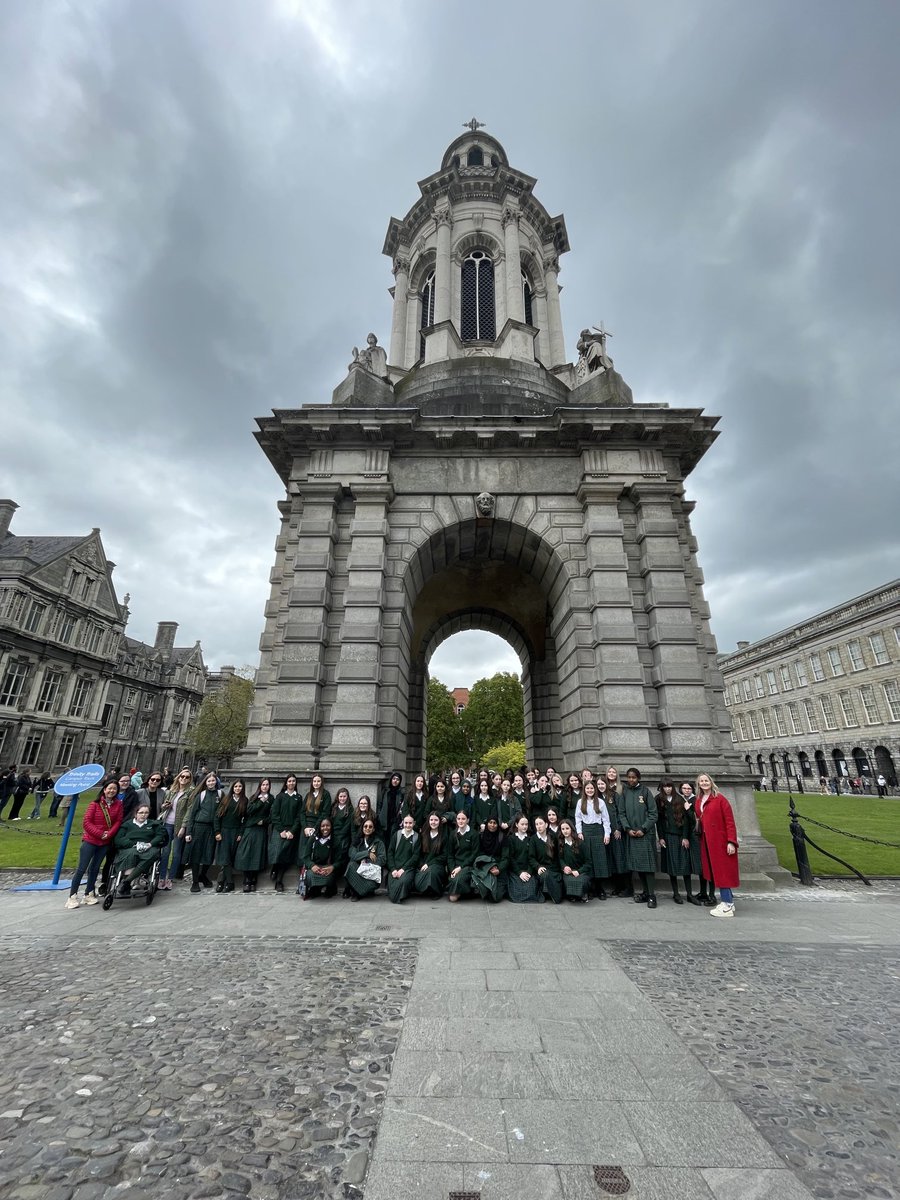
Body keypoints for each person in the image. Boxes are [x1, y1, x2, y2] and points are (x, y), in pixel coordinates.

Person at [65, 781, 124, 908]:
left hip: (105, 842)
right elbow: (87, 822)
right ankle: (72, 896)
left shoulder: (118, 804)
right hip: (90, 840)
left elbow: (118, 821)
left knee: (95, 868)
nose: (112, 791)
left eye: (114, 789)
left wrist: (109, 834)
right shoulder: (94, 804)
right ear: (104, 790)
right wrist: (100, 834)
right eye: (109, 788)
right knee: (81, 868)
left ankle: (89, 894)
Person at [696, 773, 740, 918]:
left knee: (723, 873)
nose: (704, 783)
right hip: (707, 841)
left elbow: (729, 821)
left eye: (706, 780)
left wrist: (731, 841)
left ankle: (727, 904)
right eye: (701, 781)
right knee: (716, 871)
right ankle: (729, 902)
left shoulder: (720, 799)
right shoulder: (699, 801)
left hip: (720, 841)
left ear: (711, 782)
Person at [618, 767, 659, 908]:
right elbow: (621, 813)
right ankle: (645, 892)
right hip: (632, 834)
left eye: (634, 777)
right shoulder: (624, 792)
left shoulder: (645, 791)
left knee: (648, 866)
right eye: (629, 777)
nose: (631, 780)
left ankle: (652, 895)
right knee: (639, 866)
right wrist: (627, 828)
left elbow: (653, 813)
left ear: (638, 778)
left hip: (645, 834)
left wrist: (644, 828)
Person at [656, 778, 697, 905]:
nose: (667, 789)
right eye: (665, 787)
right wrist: (661, 837)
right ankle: (676, 894)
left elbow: (686, 821)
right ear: (662, 788)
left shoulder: (679, 799)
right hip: (668, 836)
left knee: (685, 866)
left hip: (680, 836)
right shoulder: (658, 799)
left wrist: (685, 837)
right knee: (672, 866)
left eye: (669, 786)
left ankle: (689, 894)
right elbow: (659, 821)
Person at [111, 802, 167, 894]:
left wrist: (150, 844)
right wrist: (134, 844)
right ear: (135, 813)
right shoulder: (127, 825)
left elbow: (160, 836)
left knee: (152, 854)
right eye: (141, 813)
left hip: (148, 847)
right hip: (131, 847)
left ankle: (127, 881)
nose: (143, 815)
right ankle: (128, 880)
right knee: (132, 854)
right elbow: (118, 839)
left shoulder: (153, 824)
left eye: (146, 813)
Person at [574, 779, 612, 899]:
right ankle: (590, 889)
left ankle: (600, 889)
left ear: (594, 790)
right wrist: (579, 832)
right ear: (584, 790)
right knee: (588, 859)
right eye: (587, 788)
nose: (589, 790)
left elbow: (606, 819)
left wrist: (607, 834)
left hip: (598, 831)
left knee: (599, 860)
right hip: (586, 832)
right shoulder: (580, 802)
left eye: (591, 788)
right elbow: (578, 818)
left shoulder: (600, 802)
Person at [158, 767, 194, 890]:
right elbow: (163, 808)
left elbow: (189, 811)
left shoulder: (191, 792)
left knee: (177, 853)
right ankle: (162, 877)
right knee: (165, 852)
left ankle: (170, 878)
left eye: (187, 777)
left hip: (179, 825)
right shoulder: (171, 791)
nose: (184, 779)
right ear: (178, 777)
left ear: (190, 779)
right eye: (182, 776)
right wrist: (164, 806)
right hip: (167, 823)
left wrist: (184, 827)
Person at [184, 771, 221, 893]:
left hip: (212, 828)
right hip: (199, 827)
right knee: (196, 854)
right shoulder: (201, 795)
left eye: (213, 780)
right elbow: (192, 814)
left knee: (209, 855)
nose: (211, 783)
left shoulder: (220, 794)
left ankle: (202, 874)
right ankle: (195, 881)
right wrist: (189, 832)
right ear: (205, 782)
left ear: (216, 782)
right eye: (209, 781)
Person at [235, 778, 271, 893]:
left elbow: (272, 815)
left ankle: (253, 880)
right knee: (246, 853)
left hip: (261, 830)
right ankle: (246, 879)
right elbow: (249, 811)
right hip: (250, 828)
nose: (265, 787)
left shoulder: (271, 799)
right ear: (259, 786)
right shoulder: (253, 798)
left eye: (267, 785)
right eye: (263, 784)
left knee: (257, 855)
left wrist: (264, 821)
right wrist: (261, 802)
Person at [268, 774, 302, 893]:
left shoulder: (298, 797)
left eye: (293, 781)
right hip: (279, 829)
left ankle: (279, 881)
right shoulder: (280, 796)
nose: (291, 783)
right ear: (286, 783)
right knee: (277, 852)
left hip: (291, 830)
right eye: (289, 781)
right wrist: (281, 830)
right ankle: (274, 868)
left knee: (285, 855)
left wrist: (292, 831)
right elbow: (275, 814)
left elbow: (299, 817)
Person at [297, 774, 332, 883]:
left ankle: (311, 879)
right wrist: (305, 827)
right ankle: (302, 880)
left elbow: (325, 813)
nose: (316, 783)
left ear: (321, 782)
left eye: (318, 781)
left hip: (317, 827)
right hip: (306, 827)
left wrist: (315, 828)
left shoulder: (326, 795)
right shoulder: (308, 795)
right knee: (302, 853)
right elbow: (302, 813)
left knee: (312, 854)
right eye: (314, 781)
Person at [679, 782, 709, 905]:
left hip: (696, 836)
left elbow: (697, 818)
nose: (686, 790)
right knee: (687, 865)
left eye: (689, 788)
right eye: (684, 788)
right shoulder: (679, 800)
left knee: (701, 865)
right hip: (684, 836)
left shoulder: (696, 800)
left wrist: (688, 810)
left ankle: (704, 892)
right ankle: (690, 893)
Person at [213, 779, 245, 893]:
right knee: (225, 858)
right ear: (232, 788)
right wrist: (217, 832)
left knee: (230, 858)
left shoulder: (244, 801)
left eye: (240, 787)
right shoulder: (226, 799)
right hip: (224, 831)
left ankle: (222, 882)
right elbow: (217, 817)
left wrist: (241, 833)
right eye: (236, 786)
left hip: (236, 832)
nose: (237, 788)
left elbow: (244, 820)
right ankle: (228, 882)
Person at [344, 818, 386, 901]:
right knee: (351, 864)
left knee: (370, 885)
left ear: (373, 829)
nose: (368, 828)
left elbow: (382, 859)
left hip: (371, 874)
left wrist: (366, 862)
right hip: (358, 872)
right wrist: (367, 854)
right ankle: (356, 893)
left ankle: (363, 891)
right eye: (365, 826)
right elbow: (353, 855)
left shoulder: (378, 842)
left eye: (370, 827)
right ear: (362, 828)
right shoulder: (356, 841)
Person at [503, 814, 540, 903]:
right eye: (522, 824)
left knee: (531, 891)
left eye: (526, 824)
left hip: (528, 870)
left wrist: (529, 872)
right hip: (516, 871)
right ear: (516, 824)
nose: (524, 826)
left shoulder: (531, 839)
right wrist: (519, 872)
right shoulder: (511, 839)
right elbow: (511, 858)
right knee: (516, 893)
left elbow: (532, 857)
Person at [446, 809, 479, 901]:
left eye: (463, 819)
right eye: (459, 818)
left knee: (453, 898)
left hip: (468, 866)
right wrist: (452, 869)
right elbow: (450, 855)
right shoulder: (453, 834)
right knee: (453, 880)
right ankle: (464, 891)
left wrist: (460, 867)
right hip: (455, 866)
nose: (461, 821)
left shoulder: (474, 834)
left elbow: (474, 854)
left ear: (468, 820)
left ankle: (467, 890)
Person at [472, 815, 505, 903]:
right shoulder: (481, 836)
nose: (492, 825)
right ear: (487, 824)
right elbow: (479, 854)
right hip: (485, 866)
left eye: (495, 823)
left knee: (495, 897)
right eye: (490, 822)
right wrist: (489, 866)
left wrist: (499, 868)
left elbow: (506, 857)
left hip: (499, 867)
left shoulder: (502, 837)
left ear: (498, 825)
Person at [387, 814, 420, 903]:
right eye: (406, 823)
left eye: (410, 823)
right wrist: (393, 869)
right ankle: (395, 896)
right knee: (392, 883)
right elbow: (390, 853)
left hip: (408, 868)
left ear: (414, 823)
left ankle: (399, 896)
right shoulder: (397, 835)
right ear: (403, 823)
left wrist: (403, 869)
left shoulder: (416, 837)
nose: (408, 825)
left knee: (403, 882)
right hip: (395, 867)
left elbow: (415, 857)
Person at [414, 811, 448, 896]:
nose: (433, 822)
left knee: (432, 873)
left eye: (436, 820)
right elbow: (418, 853)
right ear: (428, 821)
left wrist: (429, 864)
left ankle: (435, 891)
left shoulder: (444, 836)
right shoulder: (423, 835)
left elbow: (444, 856)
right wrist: (422, 864)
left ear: (439, 822)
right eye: (431, 820)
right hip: (423, 864)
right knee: (419, 879)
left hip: (437, 864)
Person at [303, 817, 339, 898]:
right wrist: (312, 866)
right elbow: (305, 857)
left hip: (328, 868)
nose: (325, 828)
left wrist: (332, 867)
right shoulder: (313, 839)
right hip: (315, 867)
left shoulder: (336, 840)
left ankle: (330, 888)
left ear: (331, 827)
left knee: (328, 877)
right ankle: (315, 889)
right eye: (323, 826)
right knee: (310, 875)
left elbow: (340, 860)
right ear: (319, 827)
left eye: (328, 825)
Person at [531, 814, 563, 903]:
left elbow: (558, 855)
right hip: (542, 868)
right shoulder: (534, 839)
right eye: (536, 824)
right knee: (546, 875)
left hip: (554, 868)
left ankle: (554, 893)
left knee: (556, 877)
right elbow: (531, 858)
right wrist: (538, 867)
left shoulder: (553, 837)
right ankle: (552, 894)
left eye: (540, 823)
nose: (538, 826)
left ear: (546, 824)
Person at [559, 818, 590, 903]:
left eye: (567, 828)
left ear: (572, 829)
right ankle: (573, 895)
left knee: (580, 881)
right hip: (569, 872)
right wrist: (564, 867)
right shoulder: (561, 843)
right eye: (563, 829)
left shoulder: (581, 843)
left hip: (581, 871)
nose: (565, 831)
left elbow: (588, 862)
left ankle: (583, 894)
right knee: (568, 881)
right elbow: (560, 859)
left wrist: (579, 871)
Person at [378, 772, 403, 840]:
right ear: (391, 780)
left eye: (397, 779)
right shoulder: (385, 791)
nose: (395, 781)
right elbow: (379, 804)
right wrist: (379, 816)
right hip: (384, 820)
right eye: (394, 778)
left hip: (395, 821)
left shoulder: (401, 793)